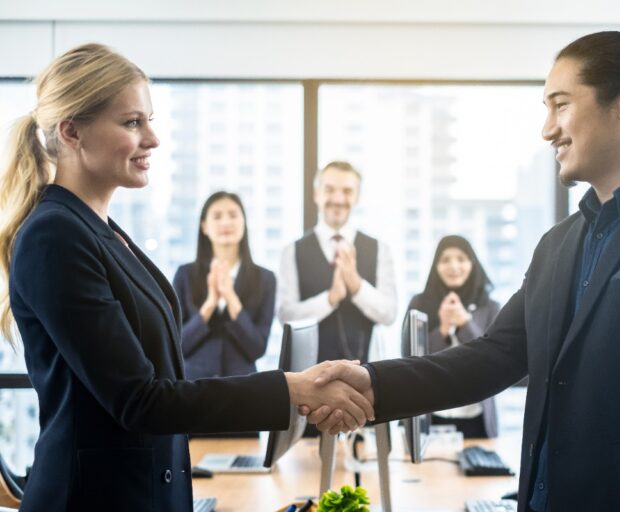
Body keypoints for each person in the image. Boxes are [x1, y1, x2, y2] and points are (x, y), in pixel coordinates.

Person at [308, 31, 620, 512]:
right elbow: (493, 357)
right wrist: (371, 382)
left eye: (561, 105)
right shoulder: (558, 244)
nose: (547, 129)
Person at [0, 43, 371, 512]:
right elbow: (139, 399)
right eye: (133, 122)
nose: (152, 139)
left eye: (149, 120)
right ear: (73, 132)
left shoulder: (103, 232)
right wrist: (288, 389)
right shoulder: (55, 235)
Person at [278, 161, 397, 364]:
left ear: (357, 197)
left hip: (365, 373)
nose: (338, 199)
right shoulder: (292, 251)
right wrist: (331, 298)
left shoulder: (380, 249)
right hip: (309, 375)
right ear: (317, 194)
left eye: (347, 191)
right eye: (329, 190)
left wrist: (356, 285)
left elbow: (389, 314)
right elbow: (285, 315)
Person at [173, 191, 275, 382]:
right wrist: (210, 304)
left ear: (244, 223)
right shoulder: (185, 275)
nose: (226, 223)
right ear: (204, 226)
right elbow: (177, 345)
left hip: (244, 387)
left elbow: (257, 348)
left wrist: (230, 298)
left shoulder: (265, 279)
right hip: (194, 388)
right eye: (217, 216)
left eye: (233, 215)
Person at [408, 235, 500, 438]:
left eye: (461, 258)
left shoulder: (490, 307)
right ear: (436, 265)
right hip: (431, 417)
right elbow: (412, 360)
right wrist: (442, 328)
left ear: (472, 263)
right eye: (445, 260)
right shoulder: (419, 304)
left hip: (476, 419)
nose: (453, 266)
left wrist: (465, 323)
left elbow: (492, 360)